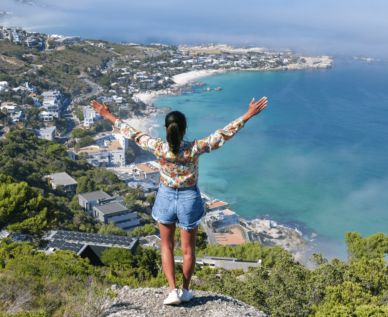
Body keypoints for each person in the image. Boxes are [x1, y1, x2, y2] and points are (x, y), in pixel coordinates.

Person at [91, 96, 268, 305]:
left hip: (166, 196)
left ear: (166, 129)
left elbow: (132, 133)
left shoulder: (158, 147)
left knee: (166, 247)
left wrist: (108, 115)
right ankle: (185, 290)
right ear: (184, 130)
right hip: (189, 199)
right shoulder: (194, 148)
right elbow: (222, 135)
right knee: (188, 249)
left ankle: (172, 291)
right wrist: (247, 115)